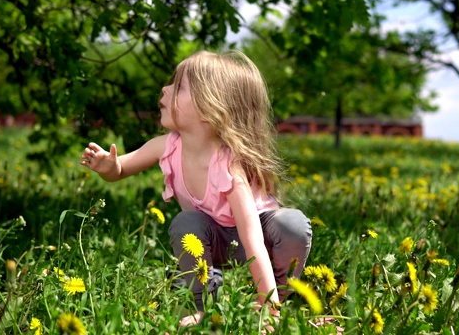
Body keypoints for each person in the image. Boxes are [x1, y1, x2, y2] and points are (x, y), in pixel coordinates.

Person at [79, 50, 312, 327]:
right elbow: (121, 169)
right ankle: (203, 305)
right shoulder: (167, 145)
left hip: (258, 239)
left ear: (210, 108)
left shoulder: (229, 167)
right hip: (213, 239)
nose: (164, 89)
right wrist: (110, 167)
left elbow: (253, 241)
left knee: (293, 224)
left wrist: (267, 308)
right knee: (186, 222)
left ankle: (278, 302)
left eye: (179, 87)